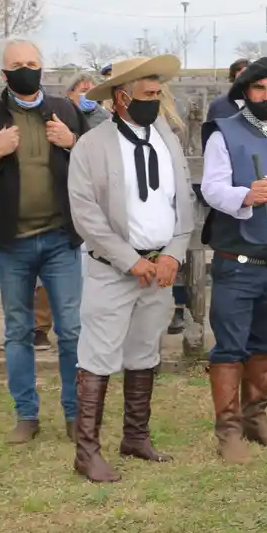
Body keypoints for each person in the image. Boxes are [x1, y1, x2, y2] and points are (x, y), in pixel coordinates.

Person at [0, 39, 87, 444]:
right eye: (17, 64)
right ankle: (26, 415)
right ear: (4, 72)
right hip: (11, 243)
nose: (25, 69)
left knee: (72, 330)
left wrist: (73, 143)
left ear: (43, 68)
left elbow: (99, 165)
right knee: (17, 331)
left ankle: (75, 414)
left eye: (32, 63)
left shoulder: (66, 111)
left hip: (60, 238)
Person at [66, 55, 193, 482]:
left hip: (160, 267)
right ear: (121, 98)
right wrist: (130, 260)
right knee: (99, 355)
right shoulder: (91, 146)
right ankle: (87, 451)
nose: (156, 101)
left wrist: (175, 252)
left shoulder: (167, 139)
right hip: (113, 269)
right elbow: (86, 215)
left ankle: (135, 437)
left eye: (158, 94)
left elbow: (183, 201)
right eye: (148, 95)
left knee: (144, 351)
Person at [198, 57, 267, 462]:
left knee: (264, 343)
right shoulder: (223, 134)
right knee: (231, 345)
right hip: (237, 257)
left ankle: (255, 418)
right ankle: (228, 431)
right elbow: (211, 187)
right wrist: (244, 195)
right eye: (260, 89)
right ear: (246, 91)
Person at [205, 59, 251, 123]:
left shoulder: (260, 106)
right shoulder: (218, 104)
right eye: (241, 76)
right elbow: (210, 129)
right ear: (233, 77)